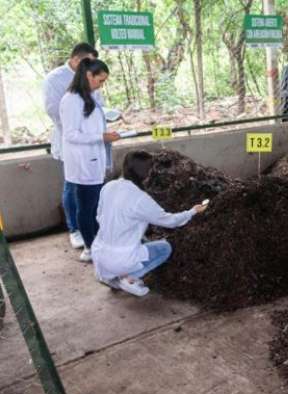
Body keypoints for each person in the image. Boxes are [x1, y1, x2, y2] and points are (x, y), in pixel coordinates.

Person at [92, 151, 208, 297]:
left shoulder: (108, 187)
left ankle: (109, 276)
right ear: (145, 174)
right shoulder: (140, 199)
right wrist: (192, 212)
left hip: (99, 253)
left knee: (138, 239)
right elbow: (170, 221)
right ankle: (129, 278)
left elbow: (99, 216)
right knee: (164, 248)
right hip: (120, 259)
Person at [60, 58, 120, 262]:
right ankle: (89, 248)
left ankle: (97, 243)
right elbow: (70, 134)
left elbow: (91, 126)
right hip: (83, 163)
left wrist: (104, 134)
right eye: (100, 80)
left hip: (93, 159)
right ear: (88, 75)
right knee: (86, 207)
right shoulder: (71, 100)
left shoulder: (89, 95)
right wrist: (101, 137)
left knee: (94, 206)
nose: (101, 85)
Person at [43, 43, 100, 250]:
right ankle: (75, 229)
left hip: (92, 140)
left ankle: (90, 227)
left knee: (90, 186)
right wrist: (82, 130)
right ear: (77, 59)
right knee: (72, 184)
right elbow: (54, 111)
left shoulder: (89, 76)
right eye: (88, 63)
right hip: (71, 140)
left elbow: (97, 102)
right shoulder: (55, 80)